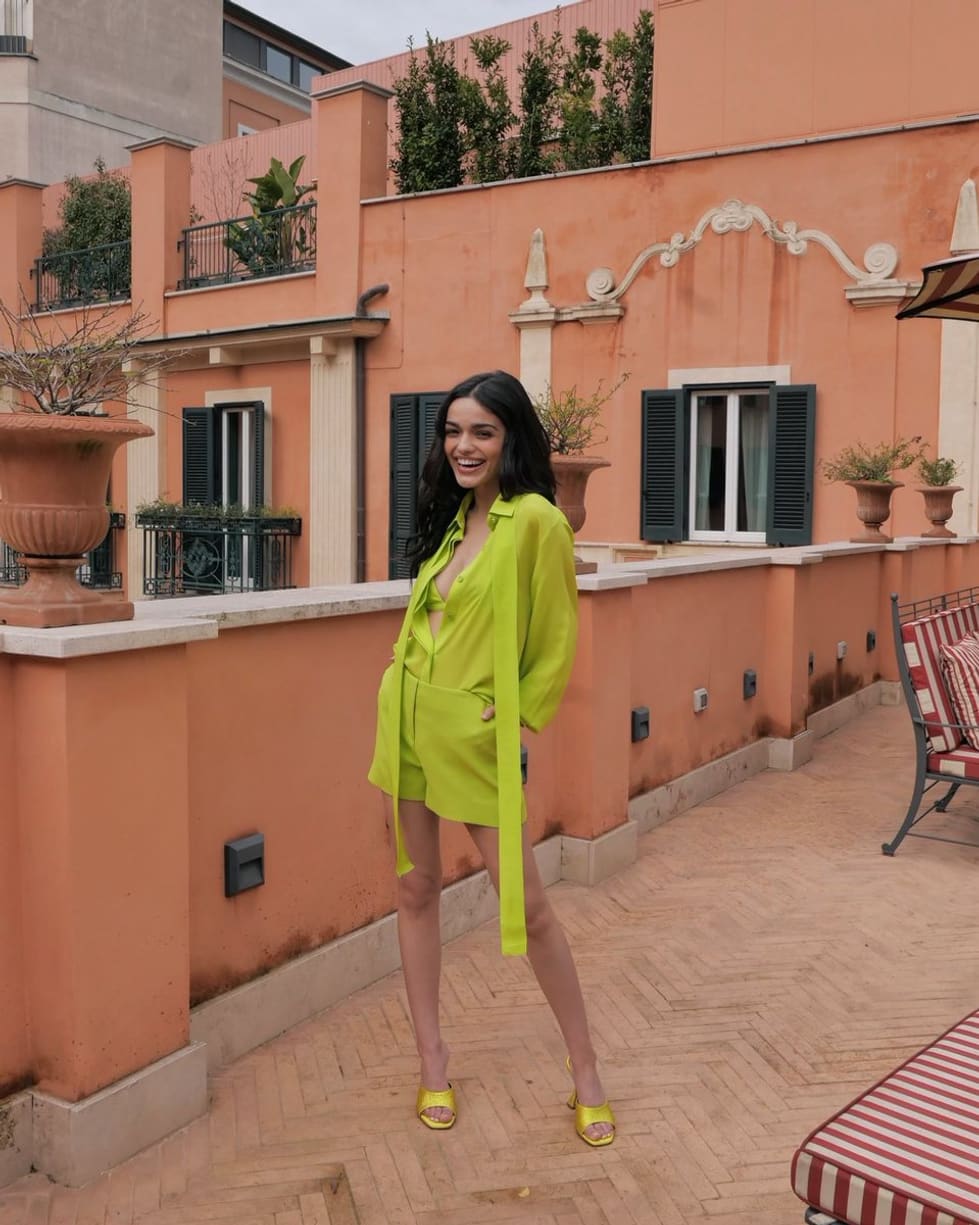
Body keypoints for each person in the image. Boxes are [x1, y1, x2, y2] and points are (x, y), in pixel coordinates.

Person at [368, 369, 615, 1147]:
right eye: (452, 431)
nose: (463, 445)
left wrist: (513, 714)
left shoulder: (537, 520)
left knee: (528, 905)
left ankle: (585, 1070)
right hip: (407, 718)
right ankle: (431, 1059)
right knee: (415, 887)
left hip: (473, 735)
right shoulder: (450, 517)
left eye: (481, 430)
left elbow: (556, 638)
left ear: (510, 437)